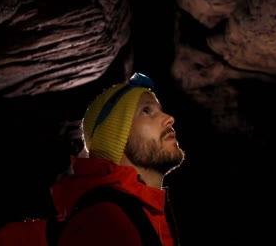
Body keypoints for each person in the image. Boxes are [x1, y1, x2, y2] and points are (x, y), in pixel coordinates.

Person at [51, 72, 185, 246]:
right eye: (146, 111)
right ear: (117, 137)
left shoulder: (143, 213)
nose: (169, 118)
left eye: (159, 110)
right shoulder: (104, 222)